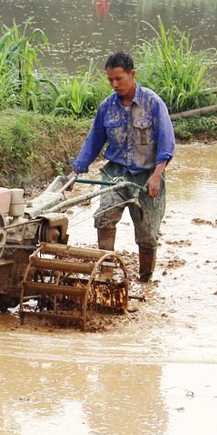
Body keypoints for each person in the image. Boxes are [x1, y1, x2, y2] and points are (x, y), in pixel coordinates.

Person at [71, 51, 175, 282]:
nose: (114, 84)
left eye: (119, 79)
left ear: (132, 74)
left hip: (147, 174)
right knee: (104, 217)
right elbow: (93, 141)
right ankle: (106, 274)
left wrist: (157, 176)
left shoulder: (153, 103)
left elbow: (167, 144)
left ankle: (145, 279)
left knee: (147, 233)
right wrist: (76, 171)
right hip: (116, 173)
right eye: (110, 80)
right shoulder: (107, 107)